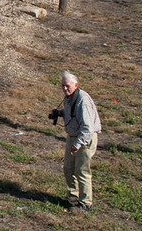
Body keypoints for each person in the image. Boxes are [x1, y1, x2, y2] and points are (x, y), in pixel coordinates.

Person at [59, 70, 101, 212]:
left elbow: (88, 128)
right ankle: (72, 198)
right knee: (68, 169)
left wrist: (77, 144)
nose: (65, 88)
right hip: (73, 137)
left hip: (84, 139)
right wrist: (59, 113)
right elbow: (71, 114)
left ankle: (85, 204)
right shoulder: (69, 98)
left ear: (76, 85)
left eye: (68, 86)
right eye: (63, 85)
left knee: (82, 171)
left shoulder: (83, 101)